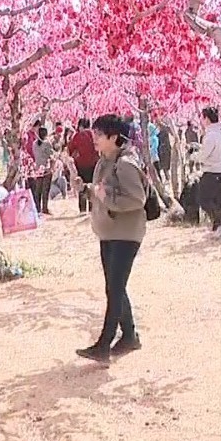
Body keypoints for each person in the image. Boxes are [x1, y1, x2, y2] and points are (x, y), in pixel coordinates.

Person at [76, 114, 149, 363]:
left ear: (114, 137)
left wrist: (106, 198)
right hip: (108, 232)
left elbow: (136, 199)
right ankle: (129, 336)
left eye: (99, 135)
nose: (94, 139)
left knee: (115, 287)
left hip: (126, 234)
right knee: (114, 286)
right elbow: (102, 191)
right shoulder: (103, 162)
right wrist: (88, 189)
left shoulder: (126, 164)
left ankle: (104, 343)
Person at [196, 106, 221, 234]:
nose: (201, 120)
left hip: (211, 171)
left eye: (202, 117)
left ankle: (218, 224)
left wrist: (196, 156)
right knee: (217, 201)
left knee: (204, 200)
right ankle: (218, 227)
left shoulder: (211, 135)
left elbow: (204, 155)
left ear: (207, 119)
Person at [67, 119, 98, 214]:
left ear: (80, 126)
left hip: (81, 165)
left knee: (81, 186)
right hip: (93, 164)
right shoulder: (94, 135)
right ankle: (92, 208)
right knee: (92, 186)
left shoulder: (77, 136)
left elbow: (70, 149)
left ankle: (83, 209)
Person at [26, 126, 55, 216]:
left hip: (37, 169)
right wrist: (52, 168)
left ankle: (37, 208)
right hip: (46, 169)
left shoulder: (34, 144)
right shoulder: (47, 143)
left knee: (38, 190)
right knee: (45, 190)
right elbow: (52, 157)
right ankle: (45, 207)